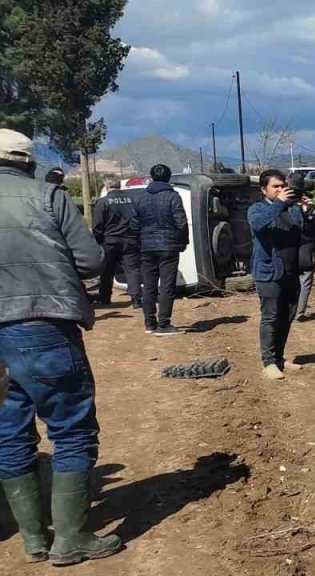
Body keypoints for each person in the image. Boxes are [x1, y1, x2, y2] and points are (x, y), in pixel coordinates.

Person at [0, 129, 121, 566]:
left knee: (8, 431)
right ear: (27, 162)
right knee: (71, 429)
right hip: (42, 323)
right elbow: (90, 262)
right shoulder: (50, 197)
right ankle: (70, 540)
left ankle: (33, 538)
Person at [250, 169, 307, 380]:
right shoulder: (257, 209)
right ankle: (268, 362)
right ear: (264, 189)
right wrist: (280, 203)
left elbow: (302, 232)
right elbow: (258, 224)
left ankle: (280, 358)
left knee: (286, 317)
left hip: (291, 271)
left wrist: (306, 212)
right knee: (271, 317)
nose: (281, 190)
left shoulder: (291, 209)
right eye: (275, 186)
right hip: (268, 272)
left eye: (283, 186)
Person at [129, 164, 187, 336]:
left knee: (148, 285)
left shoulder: (141, 197)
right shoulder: (172, 197)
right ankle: (164, 323)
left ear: (151, 177)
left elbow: (134, 224)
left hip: (146, 247)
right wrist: (183, 242)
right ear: (168, 178)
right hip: (168, 246)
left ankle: (149, 323)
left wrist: (139, 243)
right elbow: (181, 222)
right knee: (167, 285)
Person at [91, 180, 142, 308]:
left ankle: (105, 298)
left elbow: (97, 225)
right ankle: (136, 299)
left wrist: (98, 241)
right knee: (132, 269)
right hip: (130, 239)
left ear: (107, 187)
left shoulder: (102, 202)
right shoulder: (132, 200)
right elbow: (138, 219)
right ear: (119, 186)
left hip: (110, 241)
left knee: (107, 270)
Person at [294, 202, 315, 322]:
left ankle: (288, 311)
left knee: (290, 283)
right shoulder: (311, 212)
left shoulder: (284, 208)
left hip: (288, 253)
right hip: (306, 253)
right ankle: (298, 313)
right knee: (305, 283)